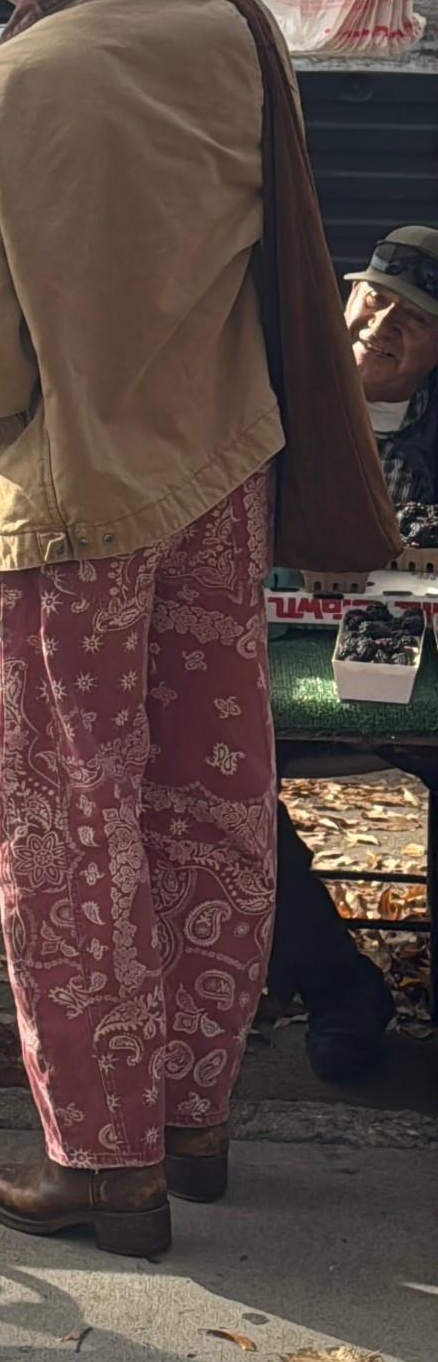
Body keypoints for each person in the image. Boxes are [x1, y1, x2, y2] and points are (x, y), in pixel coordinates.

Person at [0, 0, 304, 1258]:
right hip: (218, 470)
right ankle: (196, 1118)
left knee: (73, 822)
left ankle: (104, 1160)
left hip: (67, 503)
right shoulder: (229, 31)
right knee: (207, 793)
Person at [270, 225, 438, 1079]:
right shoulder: (270, 396)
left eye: (413, 316)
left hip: (415, 680)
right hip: (277, 666)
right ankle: (336, 987)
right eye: (373, 296)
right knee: (208, 778)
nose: (381, 323)